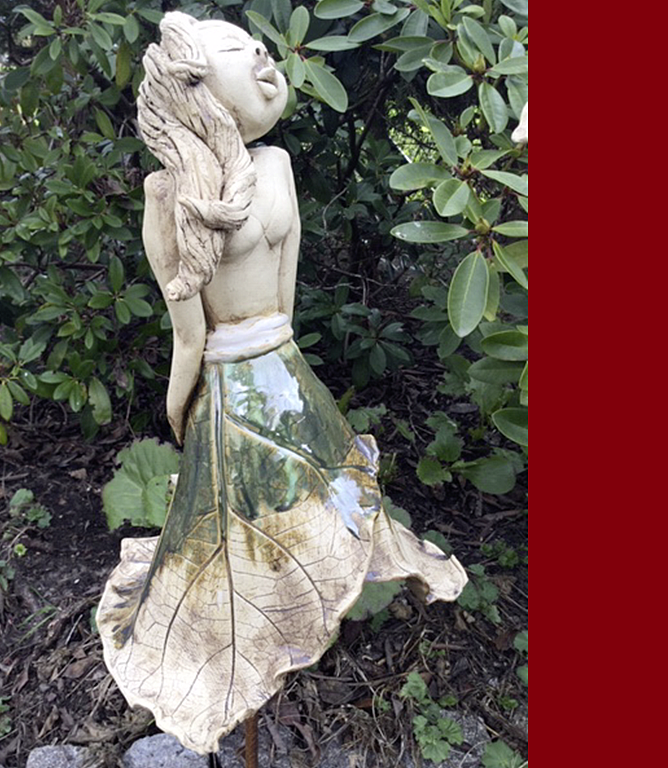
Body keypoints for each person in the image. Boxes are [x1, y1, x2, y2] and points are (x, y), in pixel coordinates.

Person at [97, 12, 467, 754]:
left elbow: (212, 331)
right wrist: (203, 410)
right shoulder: (189, 189)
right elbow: (232, 323)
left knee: (289, 536)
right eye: (236, 49)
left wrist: (181, 414)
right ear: (195, 87)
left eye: (258, 44)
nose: (262, 54)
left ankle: (254, 669)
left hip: (255, 384)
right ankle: (231, 689)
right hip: (267, 381)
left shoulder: (252, 171)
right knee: (247, 548)